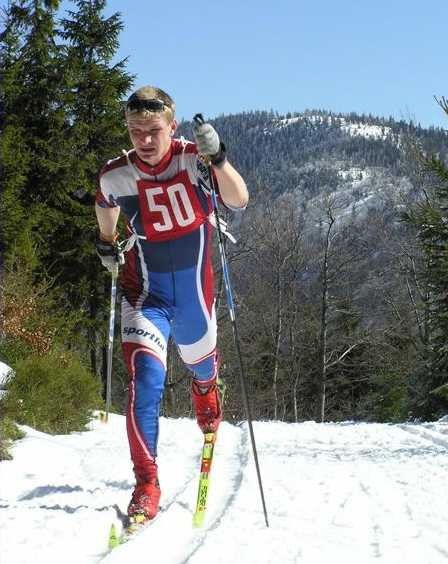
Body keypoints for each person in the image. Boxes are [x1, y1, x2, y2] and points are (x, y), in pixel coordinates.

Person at [95, 85, 248, 522]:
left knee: (201, 365)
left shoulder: (193, 160)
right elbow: (104, 200)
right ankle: (146, 483)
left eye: (154, 131)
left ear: (172, 126)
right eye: (135, 130)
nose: (144, 140)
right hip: (146, 295)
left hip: (194, 299)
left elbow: (238, 200)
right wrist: (106, 241)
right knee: (145, 381)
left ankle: (206, 388)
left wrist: (219, 159)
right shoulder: (117, 174)